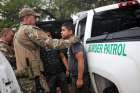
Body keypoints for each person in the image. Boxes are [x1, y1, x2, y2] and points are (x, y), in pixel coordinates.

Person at [14, 7, 79, 93]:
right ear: (27, 18)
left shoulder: (17, 33)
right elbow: (51, 43)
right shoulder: (28, 29)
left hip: (25, 77)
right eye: (34, 17)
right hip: (32, 78)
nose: (36, 20)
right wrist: (71, 40)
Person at [61, 22, 91, 93]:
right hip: (75, 76)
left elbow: (81, 61)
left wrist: (80, 79)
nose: (61, 32)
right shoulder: (71, 43)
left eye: (63, 30)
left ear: (71, 32)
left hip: (80, 77)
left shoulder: (75, 43)